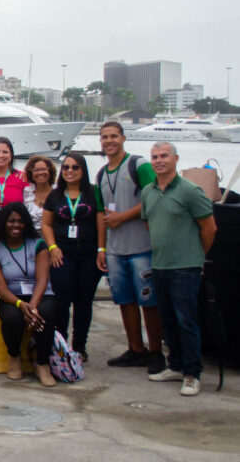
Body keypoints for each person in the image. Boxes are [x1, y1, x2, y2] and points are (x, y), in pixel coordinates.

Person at [142, 141, 216, 396]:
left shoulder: (190, 190)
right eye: (154, 157)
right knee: (168, 320)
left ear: (175, 159)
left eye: (164, 156)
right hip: (160, 265)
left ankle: (192, 373)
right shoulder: (148, 192)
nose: (159, 160)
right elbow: (150, 224)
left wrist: (196, 257)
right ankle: (175, 365)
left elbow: (209, 228)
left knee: (187, 321)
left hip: (185, 268)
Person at [96, 122, 164, 373]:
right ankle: (135, 348)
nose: (109, 141)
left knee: (149, 300)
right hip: (116, 249)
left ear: (123, 138)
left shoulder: (139, 165)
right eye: (104, 137)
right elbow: (102, 213)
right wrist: (101, 248)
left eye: (114, 136)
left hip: (141, 246)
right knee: (124, 300)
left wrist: (123, 217)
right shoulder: (102, 174)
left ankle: (155, 350)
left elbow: (153, 198)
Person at [41, 153, 104, 362]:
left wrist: (101, 250)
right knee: (61, 302)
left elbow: (101, 222)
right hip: (62, 255)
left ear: (83, 170)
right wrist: (52, 247)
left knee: (84, 302)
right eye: (66, 167)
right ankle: (61, 344)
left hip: (88, 255)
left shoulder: (94, 192)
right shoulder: (56, 195)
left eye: (75, 167)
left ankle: (79, 346)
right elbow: (46, 224)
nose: (69, 171)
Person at [0, 202, 58, 387]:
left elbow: (42, 280)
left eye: (20, 221)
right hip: (12, 298)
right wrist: (21, 304)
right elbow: (1, 289)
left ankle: (43, 363)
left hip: (40, 295)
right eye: (11, 221)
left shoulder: (38, 244)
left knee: (45, 313)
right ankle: (14, 358)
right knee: (12, 318)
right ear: (3, 223)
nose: (16, 225)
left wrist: (33, 306)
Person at [22, 156, 56, 234]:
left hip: (55, 238)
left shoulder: (58, 192)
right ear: (31, 173)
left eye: (43, 169)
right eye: (36, 170)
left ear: (50, 171)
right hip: (30, 238)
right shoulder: (26, 193)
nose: (40, 173)